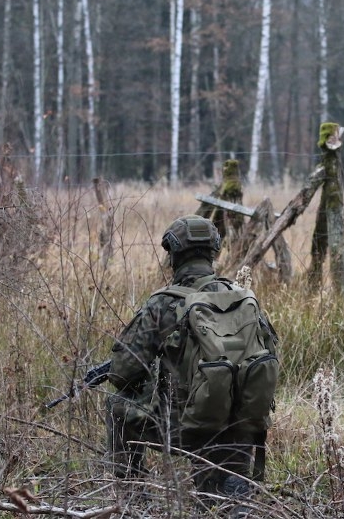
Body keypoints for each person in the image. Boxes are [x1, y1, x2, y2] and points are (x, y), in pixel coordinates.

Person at [105, 214, 271, 502]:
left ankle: (133, 495)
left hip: (186, 430)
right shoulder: (243, 300)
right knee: (218, 500)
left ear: (174, 256)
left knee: (118, 406)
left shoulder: (163, 303)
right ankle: (233, 480)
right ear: (214, 252)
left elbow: (122, 374)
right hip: (242, 428)